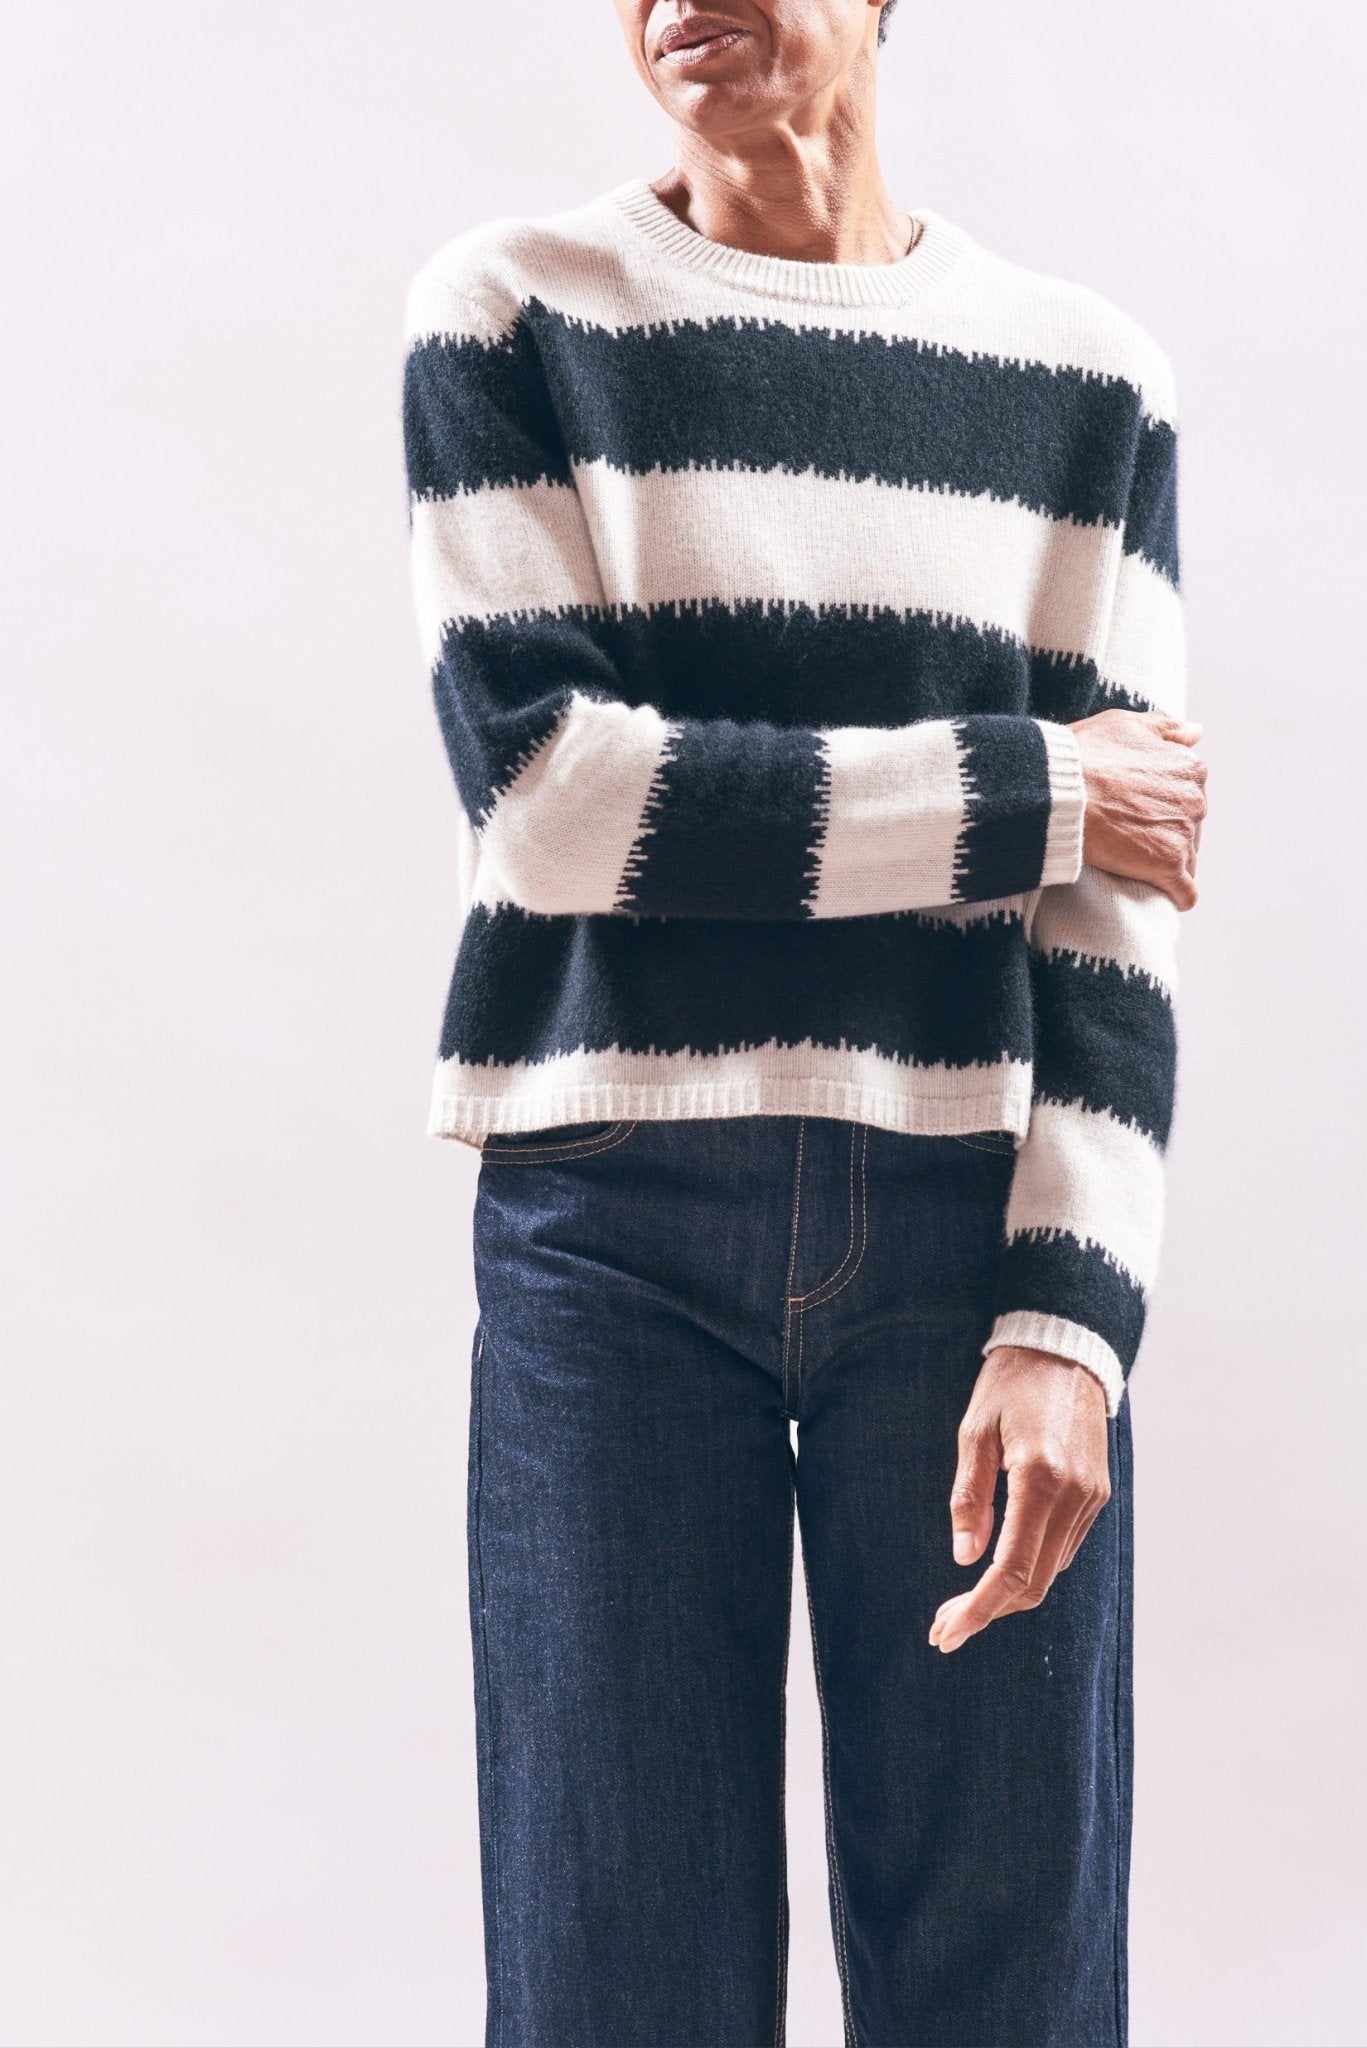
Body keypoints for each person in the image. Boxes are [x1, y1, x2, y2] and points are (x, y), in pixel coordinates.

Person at [399, 3, 1207, 2042]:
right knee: (615, 1977)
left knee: (1006, 1987)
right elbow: (558, 803)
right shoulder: (513, 317)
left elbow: (1118, 914)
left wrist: (1073, 1322)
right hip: (608, 1230)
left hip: (968, 1239)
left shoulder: (1086, 381)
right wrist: (1036, 783)